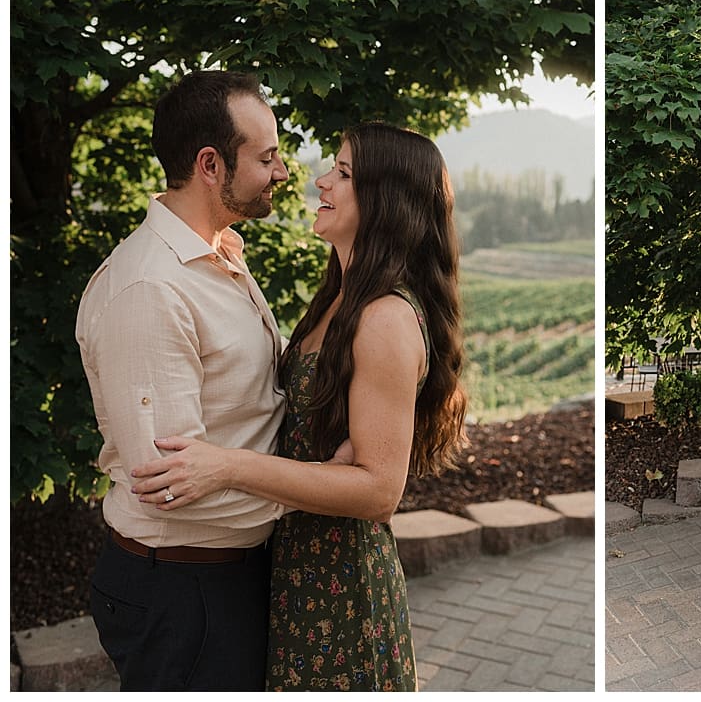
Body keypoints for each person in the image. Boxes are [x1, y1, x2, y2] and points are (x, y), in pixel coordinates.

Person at [129, 122, 468, 691]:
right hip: (299, 565)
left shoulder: (384, 316)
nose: (320, 181)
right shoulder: (341, 293)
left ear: (387, 198)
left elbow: (380, 491)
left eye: (343, 173)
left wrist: (227, 465)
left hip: (344, 588)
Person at [76, 70, 291, 689]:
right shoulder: (151, 288)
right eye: (267, 156)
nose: (280, 172)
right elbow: (171, 482)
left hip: (223, 577)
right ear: (210, 164)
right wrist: (323, 486)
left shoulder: (219, 252)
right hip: (182, 592)